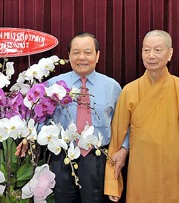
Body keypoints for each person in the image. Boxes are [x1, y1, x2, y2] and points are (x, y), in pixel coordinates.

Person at [46, 32, 128, 203]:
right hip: (62, 157)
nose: (81, 57)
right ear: (68, 56)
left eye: (88, 52)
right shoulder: (53, 85)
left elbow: (125, 125)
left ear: (97, 56)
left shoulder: (112, 87)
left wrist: (124, 149)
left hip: (98, 158)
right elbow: (42, 120)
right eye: (76, 52)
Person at [104, 30, 179, 203]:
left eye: (158, 50)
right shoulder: (129, 90)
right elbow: (116, 138)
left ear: (170, 54)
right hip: (141, 171)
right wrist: (112, 182)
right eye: (146, 50)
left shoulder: (177, 88)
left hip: (172, 169)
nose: (151, 55)